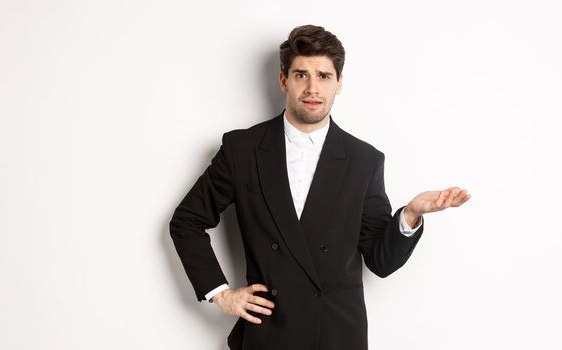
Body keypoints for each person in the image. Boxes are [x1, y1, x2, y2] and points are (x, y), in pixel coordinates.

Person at [169, 24, 470, 350]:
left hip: (337, 334)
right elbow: (186, 221)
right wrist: (220, 292)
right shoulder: (243, 149)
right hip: (269, 331)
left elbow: (380, 263)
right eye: (301, 75)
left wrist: (410, 215)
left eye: (324, 76)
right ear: (284, 80)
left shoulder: (364, 160)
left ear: (339, 83)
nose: (312, 87)